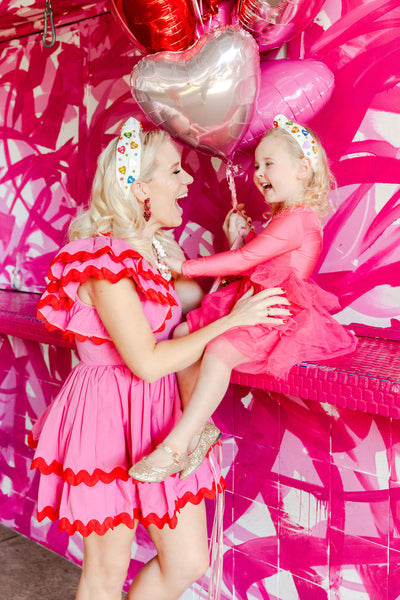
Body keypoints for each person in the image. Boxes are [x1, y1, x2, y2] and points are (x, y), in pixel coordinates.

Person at [28, 117, 289, 600]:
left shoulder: (156, 252)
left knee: (188, 561)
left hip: (160, 416)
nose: (187, 180)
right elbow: (146, 361)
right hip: (106, 417)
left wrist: (235, 252)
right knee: (107, 570)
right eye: (175, 171)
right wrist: (231, 323)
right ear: (139, 187)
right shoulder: (103, 264)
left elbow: (191, 307)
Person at [130, 114, 358, 483]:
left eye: (269, 164)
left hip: (275, 310)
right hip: (252, 300)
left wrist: (185, 266)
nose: (259, 172)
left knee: (219, 352)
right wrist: (235, 237)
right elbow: (247, 261)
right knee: (183, 332)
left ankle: (175, 445)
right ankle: (197, 427)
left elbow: (247, 261)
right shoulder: (284, 217)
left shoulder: (298, 219)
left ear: (302, 169)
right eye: (256, 165)